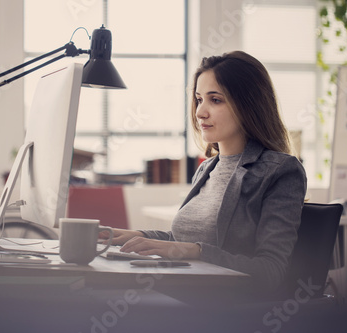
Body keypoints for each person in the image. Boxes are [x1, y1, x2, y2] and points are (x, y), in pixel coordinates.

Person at [100, 51, 307, 294]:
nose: (200, 112)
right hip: (181, 292)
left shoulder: (281, 171)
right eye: (199, 99)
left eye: (215, 100)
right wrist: (135, 236)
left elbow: (270, 272)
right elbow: (185, 241)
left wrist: (195, 252)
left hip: (222, 307)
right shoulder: (207, 168)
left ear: (248, 104)